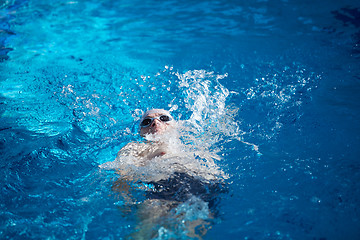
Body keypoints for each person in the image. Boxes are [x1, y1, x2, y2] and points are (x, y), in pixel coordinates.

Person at [100, 109, 226, 239]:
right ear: (140, 132)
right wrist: (124, 199)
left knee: (191, 233)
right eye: (147, 121)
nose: (155, 122)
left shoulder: (193, 145)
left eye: (164, 118)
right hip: (159, 188)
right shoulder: (135, 147)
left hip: (197, 186)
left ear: (176, 125)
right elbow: (122, 173)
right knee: (145, 233)